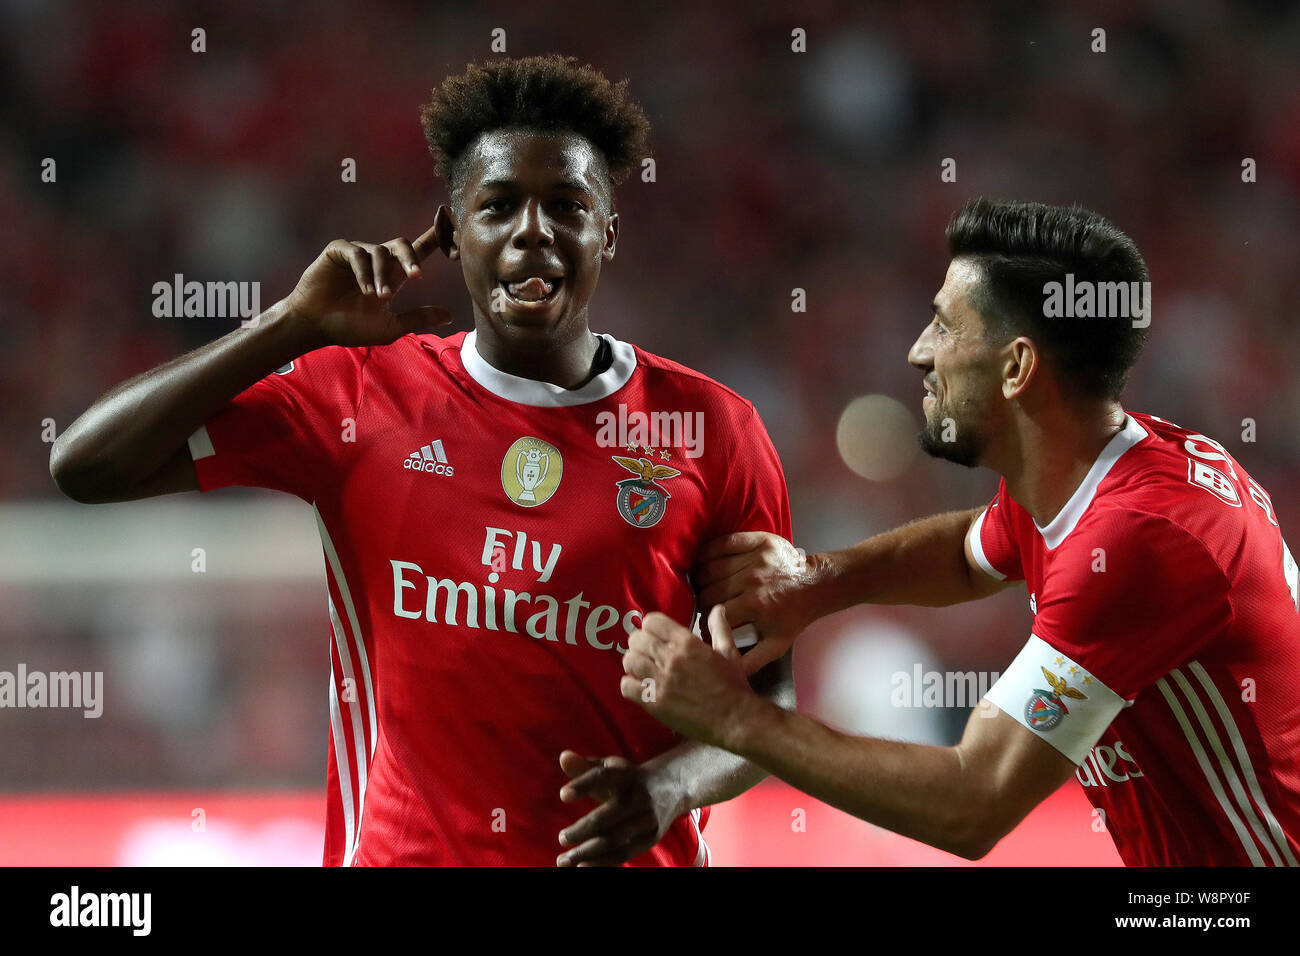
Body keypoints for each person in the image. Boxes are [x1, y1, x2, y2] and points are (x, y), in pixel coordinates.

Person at [50, 55, 793, 866]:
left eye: (568, 207)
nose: (533, 232)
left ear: (608, 232)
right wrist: (289, 326)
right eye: (500, 205)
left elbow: (767, 707)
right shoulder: (358, 395)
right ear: (454, 229)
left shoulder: (710, 430)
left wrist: (668, 790)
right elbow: (86, 466)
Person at [621, 198, 1300, 865]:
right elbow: (969, 554)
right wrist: (816, 583)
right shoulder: (1088, 473)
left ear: (1016, 368)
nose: (919, 352)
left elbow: (974, 802)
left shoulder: (1137, 539)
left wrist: (738, 721)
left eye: (945, 327)